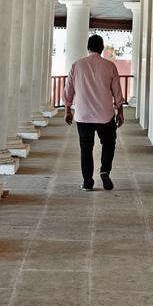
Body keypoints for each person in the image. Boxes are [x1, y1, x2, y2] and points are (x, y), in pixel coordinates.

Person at [64, 33, 125, 191]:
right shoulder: (110, 66)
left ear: (88, 48)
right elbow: (117, 91)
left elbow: (68, 90)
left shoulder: (77, 65)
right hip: (105, 115)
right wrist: (120, 111)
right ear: (102, 48)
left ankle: (88, 183)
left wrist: (67, 110)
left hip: (83, 115)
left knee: (86, 148)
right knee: (109, 143)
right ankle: (105, 170)